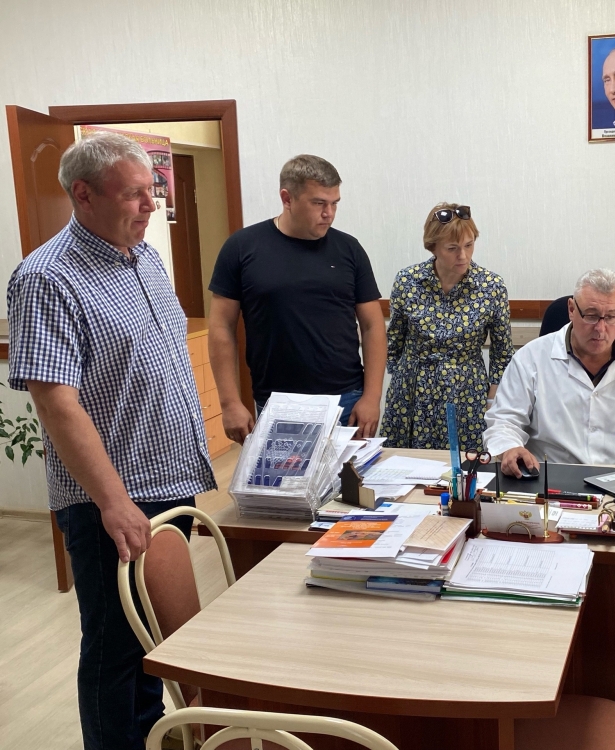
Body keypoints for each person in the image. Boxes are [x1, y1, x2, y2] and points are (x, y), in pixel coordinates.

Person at [6, 132, 216, 750]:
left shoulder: (144, 258)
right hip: (112, 497)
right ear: (84, 194)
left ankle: (152, 735)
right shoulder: (47, 277)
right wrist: (113, 501)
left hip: (170, 478)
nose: (150, 205)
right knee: (116, 647)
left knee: (157, 634)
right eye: (134, 194)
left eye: (153, 191)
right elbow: (56, 404)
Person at [208, 155, 387, 442]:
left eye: (335, 203)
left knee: (350, 474)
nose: (329, 213)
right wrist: (229, 403)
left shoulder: (349, 249)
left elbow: (372, 325)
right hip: (276, 401)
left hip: (346, 398)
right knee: (281, 474)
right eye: (319, 203)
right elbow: (221, 327)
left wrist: (372, 397)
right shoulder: (241, 247)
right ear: (287, 198)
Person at [484, 269, 615, 476]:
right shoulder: (531, 358)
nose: (600, 328)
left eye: (611, 317)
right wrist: (510, 448)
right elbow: (504, 420)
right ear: (571, 309)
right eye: (591, 316)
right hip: (549, 480)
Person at [382, 203, 514, 451]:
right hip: (412, 393)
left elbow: (502, 354)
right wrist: (404, 380)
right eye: (452, 248)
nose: (463, 255)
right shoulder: (407, 281)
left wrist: (492, 403)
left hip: (466, 394)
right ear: (433, 246)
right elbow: (394, 341)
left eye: (469, 245)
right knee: (406, 464)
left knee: (465, 467)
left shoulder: (491, 286)